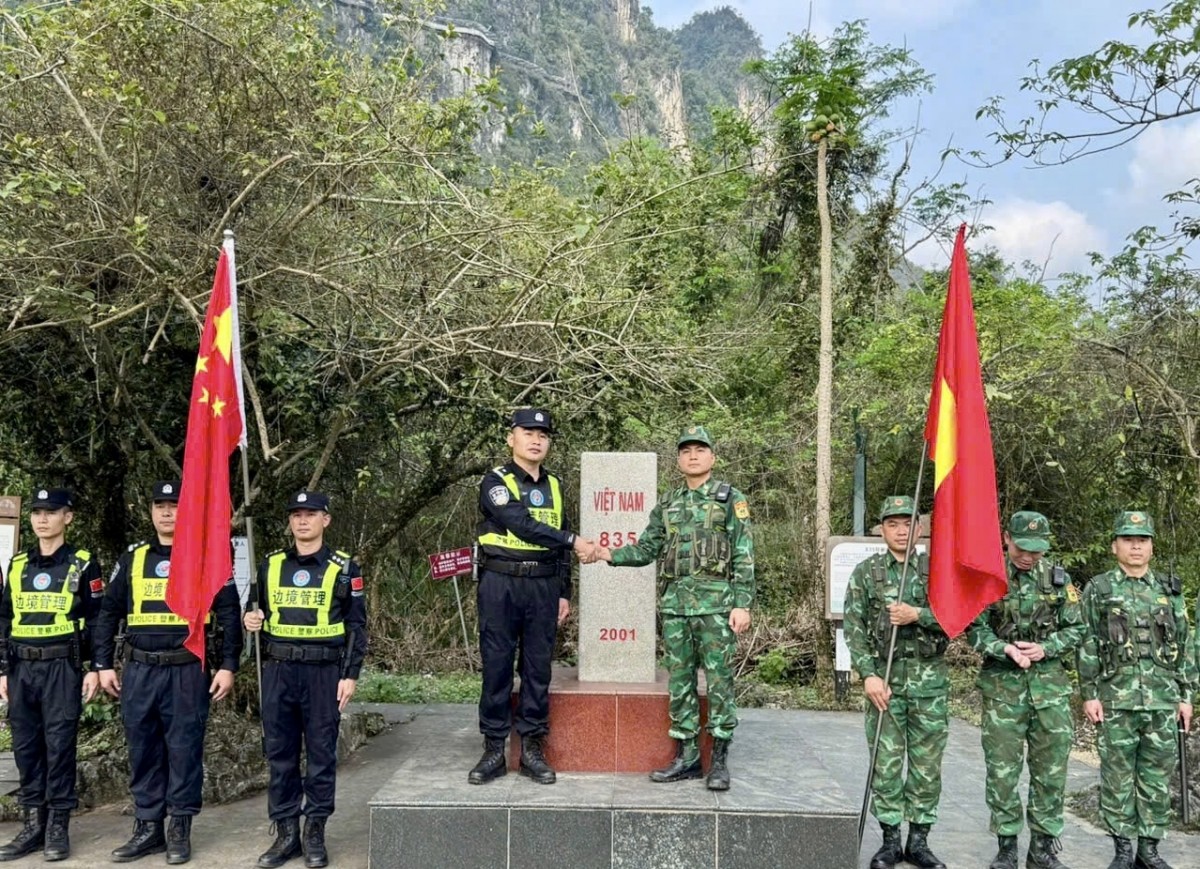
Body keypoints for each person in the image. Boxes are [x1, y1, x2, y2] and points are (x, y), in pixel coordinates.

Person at [93, 480, 243, 864]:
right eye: (159, 505)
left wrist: (228, 666)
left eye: (174, 505)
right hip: (140, 669)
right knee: (143, 750)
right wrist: (103, 663)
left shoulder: (205, 557)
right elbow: (108, 613)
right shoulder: (132, 558)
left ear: (186, 511)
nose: (166, 512)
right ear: (151, 513)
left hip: (186, 670)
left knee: (183, 750)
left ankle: (179, 829)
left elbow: (228, 614)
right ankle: (147, 828)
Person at [597, 424, 754, 790]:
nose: (693, 455)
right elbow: (646, 549)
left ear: (713, 457)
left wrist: (743, 604)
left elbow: (744, 556)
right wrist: (608, 554)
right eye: (686, 451)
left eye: (700, 449)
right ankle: (686, 756)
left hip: (717, 607)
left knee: (719, 682)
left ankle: (718, 759)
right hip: (676, 608)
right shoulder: (667, 503)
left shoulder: (731, 499)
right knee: (680, 683)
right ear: (679, 459)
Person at [469, 408, 594, 786]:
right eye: (528, 432)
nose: (536, 439)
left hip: (542, 586)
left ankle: (532, 748)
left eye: (543, 434)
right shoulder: (496, 481)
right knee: (497, 665)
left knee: (538, 669)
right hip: (500, 583)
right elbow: (520, 525)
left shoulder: (555, 485)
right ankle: (494, 747)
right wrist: (573, 542)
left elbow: (558, 540)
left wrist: (564, 592)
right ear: (511, 438)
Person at [243, 490, 367, 869]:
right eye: (296, 514)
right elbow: (255, 609)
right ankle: (285, 834)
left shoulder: (344, 568)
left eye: (310, 514)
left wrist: (350, 675)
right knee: (279, 754)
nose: (302, 521)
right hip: (279, 670)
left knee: (320, 755)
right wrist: (252, 621)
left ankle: (315, 831)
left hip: (323, 672)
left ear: (325, 520)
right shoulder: (270, 565)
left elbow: (357, 626)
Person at [967, 511, 1084, 869]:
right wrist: (1002, 648)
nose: (1028, 556)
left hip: (1050, 692)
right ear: (1007, 538)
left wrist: (1047, 648)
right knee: (1002, 771)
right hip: (1004, 690)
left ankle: (1043, 848)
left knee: (1050, 772)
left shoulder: (1059, 580)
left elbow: (1078, 629)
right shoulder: (989, 577)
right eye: (1022, 547)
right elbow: (974, 628)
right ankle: (1006, 846)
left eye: (1036, 550)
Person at [1079, 510, 1195, 869]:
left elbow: (1186, 645)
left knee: (1156, 778)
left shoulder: (1168, 590)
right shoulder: (1098, 589)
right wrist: (1089, 693)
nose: (1135, 546)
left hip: (1162, 700)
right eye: (1128, 539)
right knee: (1116, 776)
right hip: (1115, 699)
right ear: (1114, 546)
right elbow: (1087, 643)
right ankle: (1122, 849)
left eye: (1142, 540)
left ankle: (1149, 848)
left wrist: (1186, 696)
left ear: (1151, 547)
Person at [842, 495, 948, 869]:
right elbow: (853, 628)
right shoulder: (867, 573)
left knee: (925, 766)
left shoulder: (938, 571)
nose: (901, 531)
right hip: (884, 684)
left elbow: (958, 618)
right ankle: (890, 840)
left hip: (929, 684)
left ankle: (918, 841)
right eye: (893, 524)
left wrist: (917, 614)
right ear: (881, 529)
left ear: (918, 528)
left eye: (908, 523)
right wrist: (869, 674)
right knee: (886, 764)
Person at [0, 487, 102, 863]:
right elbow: (4, 617)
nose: (42, 519)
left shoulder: (83, 562)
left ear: (68, 517)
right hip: (21, 666)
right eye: (37, 512)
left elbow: (97, 619)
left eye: (51, 512)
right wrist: (2, 669)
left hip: (63, 666)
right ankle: (32, 824)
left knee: (59, 747)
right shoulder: (19, 564)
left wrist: (95, 666)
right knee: (26, 747)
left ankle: (58, 825)